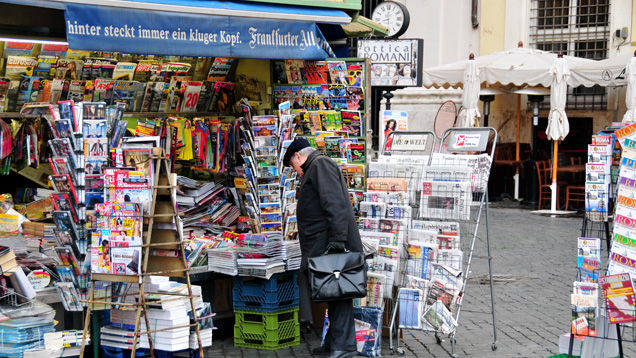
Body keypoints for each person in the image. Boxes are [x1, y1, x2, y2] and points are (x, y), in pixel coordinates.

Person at [283, 138, 363, 358]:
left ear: (298, 156)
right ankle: (333, 343)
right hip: (323, 243)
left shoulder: (320, 165)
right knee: (333, 293)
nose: (295, 171)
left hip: (331, 244)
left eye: (292, 165)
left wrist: (337, 241)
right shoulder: (315, 167)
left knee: (340, 295)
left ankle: (344, 347)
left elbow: (334, 203)